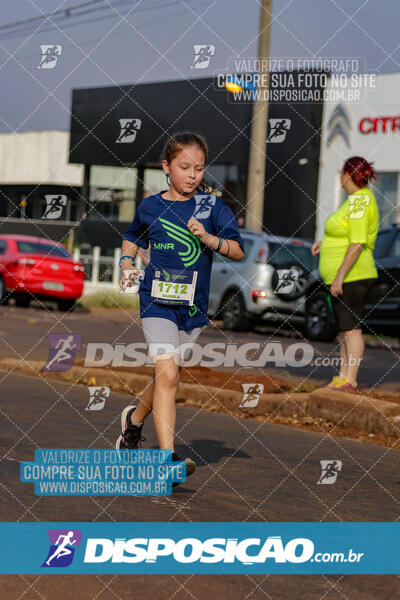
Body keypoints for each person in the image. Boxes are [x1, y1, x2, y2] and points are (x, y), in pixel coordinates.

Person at [116, 131, 244, 483]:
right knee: (169, 375)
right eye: (184, 167)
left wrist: (208, 238)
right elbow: (133, 236)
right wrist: (128, 263)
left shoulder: (213, 208)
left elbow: (237, 249)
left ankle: (134, 422)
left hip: (193, 308)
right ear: (166, 167)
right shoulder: (150, 205)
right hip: (156, 301)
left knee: (164, 376)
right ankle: (166, 460)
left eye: (199, 169)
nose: (192, 175)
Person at [312, 156, 379, 392]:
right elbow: (344, 234)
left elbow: (358, 242)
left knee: (352, 329)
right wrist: (325, 243)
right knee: (345, 329)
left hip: (354, 275)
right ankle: (342, 377)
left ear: (347, 175)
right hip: (347, 275)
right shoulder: (354, 200)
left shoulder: (360, 200)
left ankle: (350, 380)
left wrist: (340, 276)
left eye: (342, 174)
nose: (340, 178)